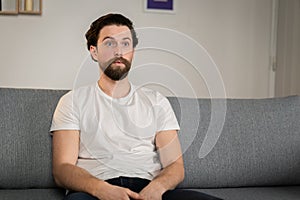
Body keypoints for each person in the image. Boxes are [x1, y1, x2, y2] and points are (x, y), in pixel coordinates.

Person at [50, 13, 222, 200]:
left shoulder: (157, 101)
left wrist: (157, 188)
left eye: (125, 43)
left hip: (149, 188)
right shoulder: (72, 101)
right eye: (109, 43)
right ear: (94, 51)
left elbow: (175, 166)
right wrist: (101, 189)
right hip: (95, 191)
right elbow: (62, 170)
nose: (119, 51)